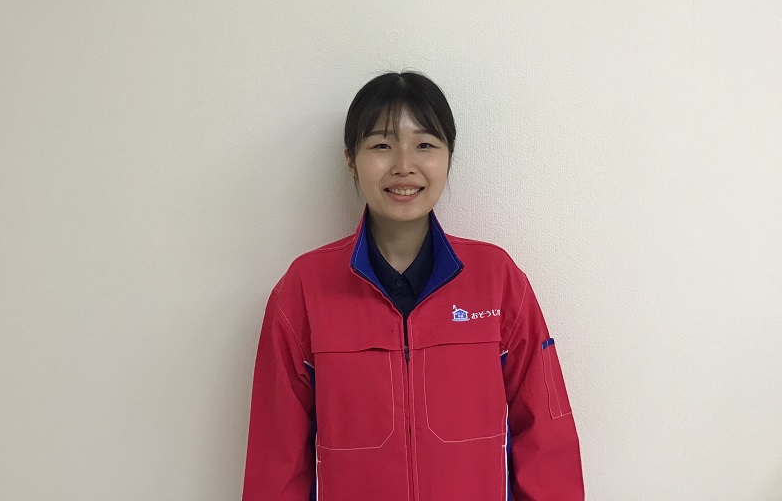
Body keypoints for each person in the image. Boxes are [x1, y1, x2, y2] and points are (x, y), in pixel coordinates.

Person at [242, 72, 584, 501]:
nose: (404, 165)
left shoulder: (497, 280)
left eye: (424, 145)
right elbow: (275, 460)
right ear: (350, 159)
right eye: (381, 146)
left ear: (449, 156)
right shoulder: (304, 289)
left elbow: (546, 438)